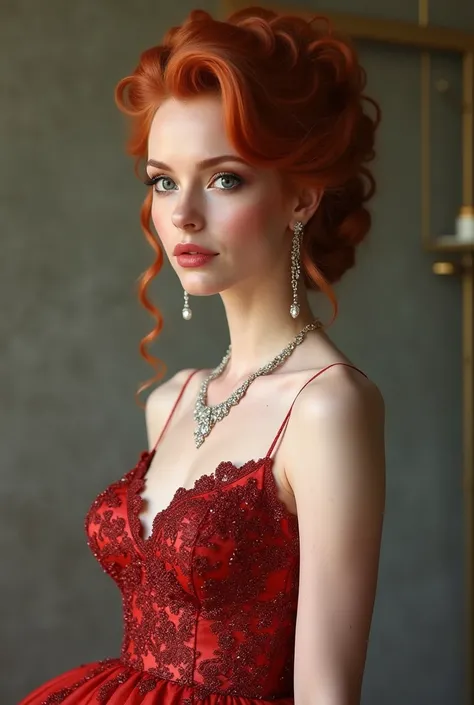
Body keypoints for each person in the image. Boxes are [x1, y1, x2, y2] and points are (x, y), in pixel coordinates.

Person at [19, 5, 385, 705]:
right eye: (163, 180)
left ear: (302, 197)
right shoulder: (174, 399)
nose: (182, 213)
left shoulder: (329, 407)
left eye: (224, 179)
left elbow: (327, 691)